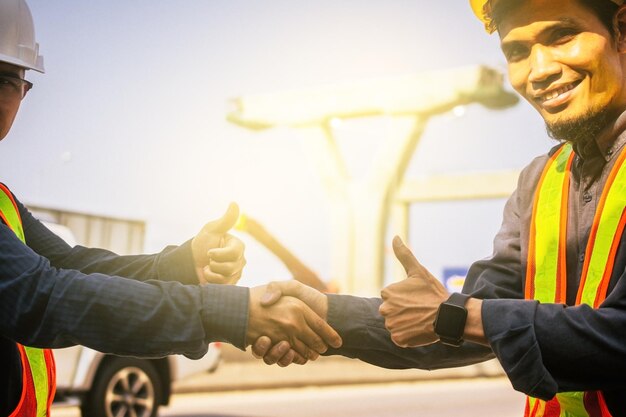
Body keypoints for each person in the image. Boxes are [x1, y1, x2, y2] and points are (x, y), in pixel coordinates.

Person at [252, 0, 626, 415]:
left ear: (622, 29)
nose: (539, 70)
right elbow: (452, 324)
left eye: (562, 36)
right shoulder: (540, 181)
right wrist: (322, 313)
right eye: (517, 52)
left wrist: (459, 317)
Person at [0, 1, 341, 416]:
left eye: (4, 79)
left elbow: (74, 265)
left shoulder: (3, 201)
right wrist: (233, 314)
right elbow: (41, 296)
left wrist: (186, 263)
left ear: (24, 90)